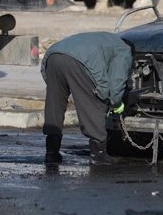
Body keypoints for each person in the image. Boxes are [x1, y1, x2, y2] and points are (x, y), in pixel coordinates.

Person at [41, 32, 133, 165]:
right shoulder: (125, 50)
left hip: (53, 56)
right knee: (94, 104)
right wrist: (117, 103)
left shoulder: (106, 38)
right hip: (81, 61)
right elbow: (116, 83)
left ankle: (51, 153)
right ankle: (99, 155)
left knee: (54, 104)